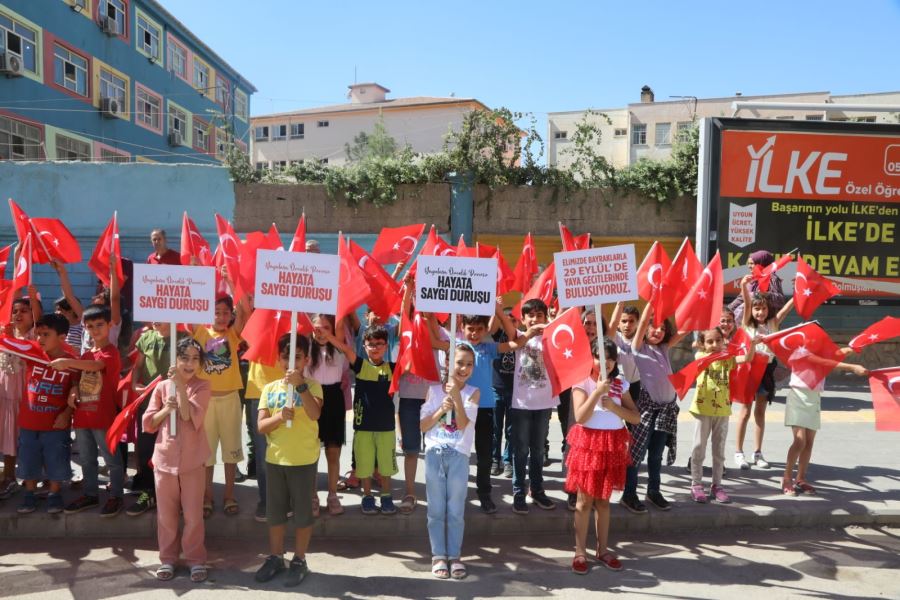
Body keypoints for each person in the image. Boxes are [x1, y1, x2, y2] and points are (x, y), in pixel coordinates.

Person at [254, 334, 323, 587]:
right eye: (286, 356)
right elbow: (261, 426)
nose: (290, 361)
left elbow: (315, 414)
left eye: (296, 356)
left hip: (303, 461)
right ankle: (275, 557)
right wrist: (280, 417)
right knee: (275, 515)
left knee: (303, 515)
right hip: (275, 460)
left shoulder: (314, 386)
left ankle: (300, 560)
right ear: (278, 359)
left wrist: (301, 386)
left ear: (305, 359)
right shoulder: (269, 389)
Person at [567, 339, 639, 574]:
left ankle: (603, 550)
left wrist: (614, 407)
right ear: (591, 358)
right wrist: (597, 391)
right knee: (584, 501)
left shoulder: (620, 383)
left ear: (615, 360)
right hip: (588, 444)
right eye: (599, 356)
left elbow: (635, 417)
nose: (604, 362)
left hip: (612, 445)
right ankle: (580, 551)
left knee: (604, 501)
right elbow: (580, 416)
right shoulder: (581, 381)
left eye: (609, 357)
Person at [143, 338, 211, 583]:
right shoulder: (161, 388)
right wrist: (165, 409)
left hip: (192, 461)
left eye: (195, 359)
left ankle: (195, 559)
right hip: (164, 459)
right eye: (184, 358)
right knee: (166, 515)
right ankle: (168, 558)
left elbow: (189, 415)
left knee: (193, 515)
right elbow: (148, 423)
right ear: (175, 360)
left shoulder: (203, 386)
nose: (190, 363)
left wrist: (180, 386)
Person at [429, 307, 509, 514]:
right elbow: (433, 341)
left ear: (485, 330)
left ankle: (484, 493)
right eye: (470, 328)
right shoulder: (456, 346)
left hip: (484, 408)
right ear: (462, 328)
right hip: (456, 407)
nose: (474, 333)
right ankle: (451, 494)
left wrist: (499, 311)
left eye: (479, 329)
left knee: (484, 455)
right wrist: (430, 314)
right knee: (453, 452)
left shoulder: (489, 347)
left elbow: (516, 343)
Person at [53, 303, 124, 516]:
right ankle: (91, 494)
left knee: (112, 460)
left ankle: (116, 496)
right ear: (85, 328)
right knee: (86, 459)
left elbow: (95, 367)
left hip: (103, 417)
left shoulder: (111, 352)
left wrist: (67, 361)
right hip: (82, 416)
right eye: (90, 326)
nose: (95, 330)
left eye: (99, 325)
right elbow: (77, 375)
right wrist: (73, 389)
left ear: (109, 325)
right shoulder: (85, 355)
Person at [320, 325, 397, 515]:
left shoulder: (392, 368)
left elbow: (413, 357)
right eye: (371, 344)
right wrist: (328, 334)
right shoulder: (360, 365)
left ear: (386, 346)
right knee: (364, 467)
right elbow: (345, 349)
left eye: (379, 344)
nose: (375, 347)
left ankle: (386, 496)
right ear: (364, 345)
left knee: (385, 466)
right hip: (363, 428)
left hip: (387, 428)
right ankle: (368, 497)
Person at [619, 308, 689, 514]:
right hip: (647, 412)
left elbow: (685, 330)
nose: (658, 331)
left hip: (665, 411)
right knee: (636, 454)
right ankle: (629, 494)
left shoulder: (664, 348)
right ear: (645, 328)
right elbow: (640, 327)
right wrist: (650, 305)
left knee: (656, 455)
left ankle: (653, 491)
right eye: (653, 327)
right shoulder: (638, 348)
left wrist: (698, 312)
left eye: (662, 328)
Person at [420, 343, 480, 580]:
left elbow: (464, 424)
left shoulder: (473, 392)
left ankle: (454, 555)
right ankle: (438, 556)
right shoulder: (434, 391)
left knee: (455, 509)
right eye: (459, 363)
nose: (463, 368)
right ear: (448, 363)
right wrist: (439, 411)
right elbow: (423, 425)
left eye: (469, 364)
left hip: (458, 456)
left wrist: (455, 395)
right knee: (435, 509)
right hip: (435, 453)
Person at [496, 299, 558, 514]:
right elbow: (506, 324)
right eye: (530, 315)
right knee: (520, 449)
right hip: (521, 404)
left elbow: (565, 328)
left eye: (539, 315)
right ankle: (518, 492)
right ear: (523, 319)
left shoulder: (552, 337)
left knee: (538, 449)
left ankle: (537, 490)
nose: (535, 319)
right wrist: (497, 306)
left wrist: (550, 323)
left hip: (545, 403)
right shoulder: (519, 337)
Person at [781, 347, 868, 496]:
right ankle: (786, 479)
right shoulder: (800, 351)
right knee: (799, 441)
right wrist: (852, 367)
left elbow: (836, 354)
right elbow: (825, 362)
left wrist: (854, 347)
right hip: (798, 396)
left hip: (814, 397)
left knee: (809, 442)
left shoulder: (820, 351)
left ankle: (800, 479)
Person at [15, 314, 77, 514]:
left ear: (62, 337)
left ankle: (55, 494)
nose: (40, 339)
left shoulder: (72, 362)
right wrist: (8, 333)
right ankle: (30, 494)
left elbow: (75, 389)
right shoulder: (32, 354)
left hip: (56, 424)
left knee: (57, 458)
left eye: (46, 334)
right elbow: (12, 344)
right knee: (27, 458)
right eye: (38, 334)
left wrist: (67, 414)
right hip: (29, 421)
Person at [194, 292, 248, 518]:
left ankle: (229, 495)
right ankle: (207, 496)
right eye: (217, 312)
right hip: (205, 402)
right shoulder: (200, 332)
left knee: (230, 452)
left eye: (226, 312)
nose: (221, 316)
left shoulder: (233, 335)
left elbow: (244, 311)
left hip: (230, 401)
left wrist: (236, 284)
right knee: (206, 456)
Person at [688, 327, 755, 504]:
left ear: (723, 340)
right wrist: (708, 347)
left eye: (718, 340)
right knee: (698, 448)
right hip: (702, 410)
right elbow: (701, 351)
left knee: (719, 451)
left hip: (722, 410)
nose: (715, 344)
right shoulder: (700, 357)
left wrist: (753, 345)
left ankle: (717, 485)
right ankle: (696, 484)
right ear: (703, 344)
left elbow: (747, 358)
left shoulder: (728, 359)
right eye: (710, 341)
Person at [735, 274, 794, 470]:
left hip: (766, 371)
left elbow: (786, 309)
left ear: (768, 310)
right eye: (757, 308)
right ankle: (739, 452)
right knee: (744, 412)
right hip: (748, 370)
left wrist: (798, 292)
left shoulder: (772, 324)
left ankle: (758, 452)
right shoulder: (746, 324)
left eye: (764, 308)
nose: (760, 312)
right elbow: (745, 299)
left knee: (760, 412)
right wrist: (744, 285)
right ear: (751, 310)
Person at [126, 322, 186, 517]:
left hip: (175, 404)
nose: (154, 319)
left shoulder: (183, 337)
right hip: (149, 403)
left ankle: (180, 496)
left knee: (175, 450)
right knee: (145, 451)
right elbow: (138, 366)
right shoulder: (146, 337)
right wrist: (135, 384)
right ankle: (148, 492)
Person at [305, 314, 348, 516]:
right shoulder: (305, 348)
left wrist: (331, 334)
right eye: (317, 328)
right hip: (312, 396)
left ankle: (332, 495)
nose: (320, 331)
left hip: (334, 398)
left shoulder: (339, 347)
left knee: (333, 450)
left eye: (326, 327)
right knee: (312, 450)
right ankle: (312, 496)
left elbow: (341, 321)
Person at [0, 292, 40, 499]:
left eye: (24, 311)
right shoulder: (4, 334)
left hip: (26, 398)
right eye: (14, 311)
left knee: (27, 441)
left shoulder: (35, 337)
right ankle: (8, 478)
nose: (18, 315)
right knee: (8, 440)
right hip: (5, 396)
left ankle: (31, 477)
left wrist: (32, 297)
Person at [490, 308, 518, 480]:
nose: (511, 323)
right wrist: (496, 310)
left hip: (515, 390)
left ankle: (508, 461)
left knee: (511, 429)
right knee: (495, 428)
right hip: (496, 388)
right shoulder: (498, 334)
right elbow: (491, 328)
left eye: (514, 320)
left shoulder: (520, 337)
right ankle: (495, 460)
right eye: (508, 319)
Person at [728, 250, 787, 325]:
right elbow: (741, 299)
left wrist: (761, 295)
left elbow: (780, 300)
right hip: (750, 323)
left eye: (752, 263)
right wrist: (727, 311)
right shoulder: (752, 280)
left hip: (766, 324)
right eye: (748, 264)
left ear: (761, 263)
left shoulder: (772, 278)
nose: (749, 266)